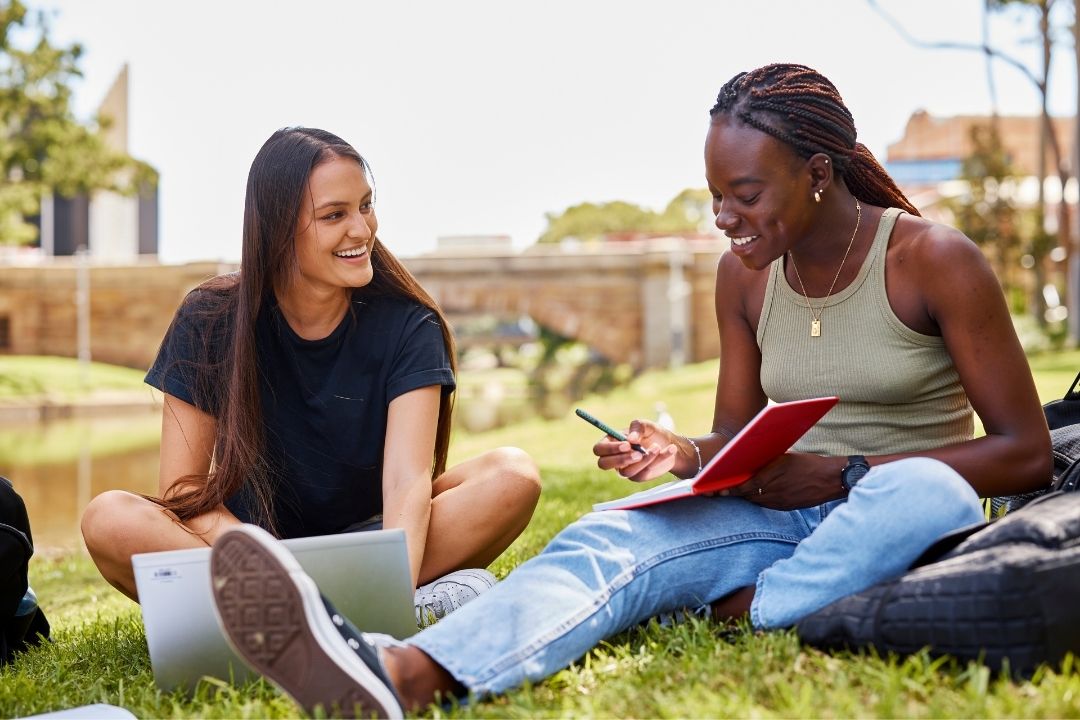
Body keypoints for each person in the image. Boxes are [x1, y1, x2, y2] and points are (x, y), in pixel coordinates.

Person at [201, 64, 1052, 717]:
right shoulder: (744, 279)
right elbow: (732, 440)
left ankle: (745, 610)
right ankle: (403, 673)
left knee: (920, 490)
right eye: (717, 195)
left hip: (891, 509)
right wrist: (687, 456)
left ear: (818, 173)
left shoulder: (932, 260)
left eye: (744, 195)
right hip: (774, 518)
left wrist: (845, 473)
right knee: (603, 539)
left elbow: (1026, 454)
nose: (723, 217)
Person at [79, 127, 542, 625]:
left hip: (375, 543)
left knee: (513, 476)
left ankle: (297, 616)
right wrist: (264, 561)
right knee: (109, 518)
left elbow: (408, 480)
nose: (362, 230)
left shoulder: (410, 325)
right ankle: (311, 608)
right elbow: (185, 490)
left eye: (365, 206)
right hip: (248, 550)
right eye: (334, 215)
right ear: (278, 228)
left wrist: (392, 588)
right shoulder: (209, 318)